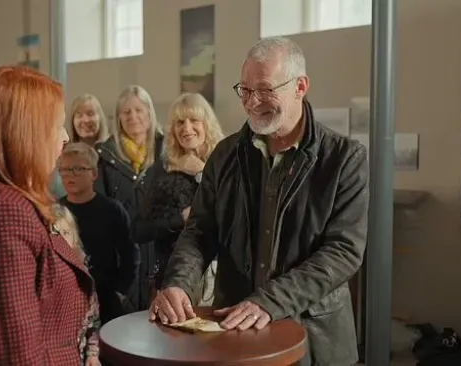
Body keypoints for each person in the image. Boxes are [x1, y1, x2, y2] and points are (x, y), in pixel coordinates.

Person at [150, 36, 369, 366]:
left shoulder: (344, 159)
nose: (252, 102)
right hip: (238, 335)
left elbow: (343, 251)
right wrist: (178, 284)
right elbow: (199, 232)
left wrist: (270, 301)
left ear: (300, 86)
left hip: (315, 339)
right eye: (246, 90)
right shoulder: (225, 155)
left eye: (265, 89)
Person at [0, 66, 100, 365]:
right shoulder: (4, 213)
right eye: (56, 125)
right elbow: (14, 356)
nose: (64, 138)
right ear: (25, 133)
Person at [132, 92, 224, 305]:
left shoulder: (225, 162)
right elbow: (138, 230)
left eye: (194, 120)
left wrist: (201, 173)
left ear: (206, 124)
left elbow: (234, 213)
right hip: (172, 278)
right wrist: (180, 219)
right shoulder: (163, 170)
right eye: (180, 122)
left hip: (219, 276)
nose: (187, 128)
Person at [95, 85, 164, 311]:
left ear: (149, 112)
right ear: (118, 118)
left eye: (138, 110)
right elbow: (102, 209)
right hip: (123, 259)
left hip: (160, 255)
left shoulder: (168, 149)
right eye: (126, 112)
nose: (133, 117)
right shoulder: (106, 155)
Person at [57, 142, 138, 323]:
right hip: (67, 300)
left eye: (78, 169)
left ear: (93, 174)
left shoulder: (112, 210)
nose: (70, 175)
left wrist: (120, 291)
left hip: (106, 299)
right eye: (64, 170)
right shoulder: (55, 211)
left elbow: (130, 253)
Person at [51, 94, 110, 199]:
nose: (85, 120)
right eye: (79, 115)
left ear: (100, 118)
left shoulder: (111, 156)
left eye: (90, 114)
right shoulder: (60, 155)